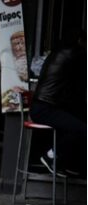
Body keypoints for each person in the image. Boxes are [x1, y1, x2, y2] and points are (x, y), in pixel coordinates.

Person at [30, 35, 87, 176]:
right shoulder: (71, 54)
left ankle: (65, 162)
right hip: (45, 108)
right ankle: (51, 156)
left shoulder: (58, 53)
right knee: (81, 129)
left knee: (76, 122)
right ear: (79, 41)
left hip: (42, 106)